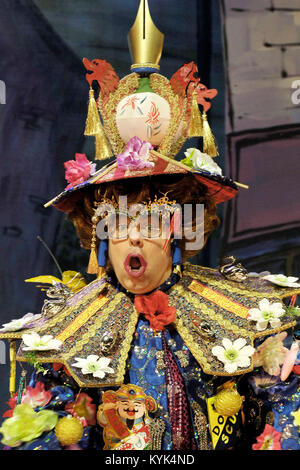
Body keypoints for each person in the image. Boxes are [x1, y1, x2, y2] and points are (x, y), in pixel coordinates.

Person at [0, 0, 300, 451]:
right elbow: (38, 435)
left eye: (154, 220)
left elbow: (286, 408)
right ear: (99, 236)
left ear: (182, 233)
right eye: (118, 222)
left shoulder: (249, 315)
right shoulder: (59, 337)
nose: (134, 235)